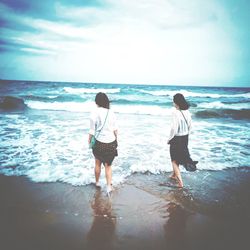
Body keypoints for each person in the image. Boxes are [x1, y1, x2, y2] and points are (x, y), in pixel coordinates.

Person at [89, 92, 118, 196]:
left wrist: (89, 142)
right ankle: (109, 186)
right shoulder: (111, 113)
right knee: (108, 166)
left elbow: (92, 131)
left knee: (97, 163)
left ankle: (97, 183)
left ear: (96, 102)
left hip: (99, 143)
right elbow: (115, 130)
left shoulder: (94, 112)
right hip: (111, 143)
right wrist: (116, 141)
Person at [167, 93, 197, 188]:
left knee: (174, 159)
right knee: (179, 157)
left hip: (177, 138)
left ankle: (180, 183)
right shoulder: (187, 112)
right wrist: (186, 135)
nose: (173, 102)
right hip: (185, 138)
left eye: (173, 100)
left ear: (176, 102)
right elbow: (190, 126)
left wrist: (169, 139)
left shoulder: (175, 112)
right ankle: (174, 175)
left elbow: (173, 129)